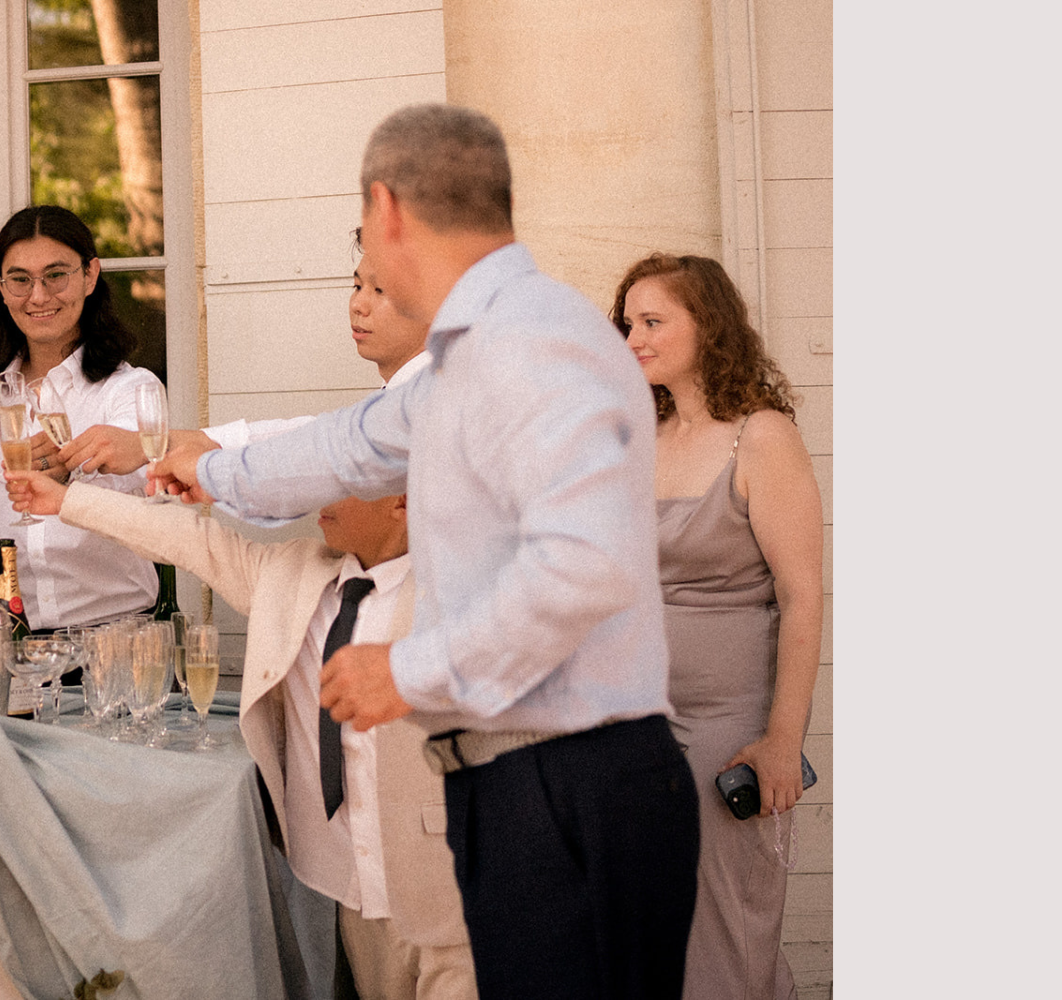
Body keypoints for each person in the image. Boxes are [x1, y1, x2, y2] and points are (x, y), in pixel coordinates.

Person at [152, 103, 699, 999]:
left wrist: (412, 671)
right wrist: (215, 473)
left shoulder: (534, 343)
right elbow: (349, 445)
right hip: (520, 786)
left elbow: (585, 564)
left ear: (387, 211)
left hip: (570, 787)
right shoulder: (473, 356)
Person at [6, 471, 476, 1000]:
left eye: (345, 480)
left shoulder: (465, 591)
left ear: (403, 500)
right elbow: (187, 539)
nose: (319, 492)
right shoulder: (292, 575)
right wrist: (68, 499)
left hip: (455, 890)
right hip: (347, 894)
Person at [613, 253, 823, 1000]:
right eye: (628, 322)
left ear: (709, 325)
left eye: (653, 321)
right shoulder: (643, 436)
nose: (632, 336)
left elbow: (802, 597)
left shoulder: (760, 437)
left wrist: (782, 741)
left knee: (724, 940)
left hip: (721, 732)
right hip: (632, 725)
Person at [0, 204, 161, 638]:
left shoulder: (131, 389)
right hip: (10, 643)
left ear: (90, 275)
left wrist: (71, 474)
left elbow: (139, 494)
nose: (38, 296)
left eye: (56, 275)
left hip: (115, 640)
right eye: (20, 280)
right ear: (1, 288)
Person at [59, 231, 430, 479]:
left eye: (380, 290)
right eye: (356, 285)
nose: (358, 305)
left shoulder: (426, 405)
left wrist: (184, 457)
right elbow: (317, 436)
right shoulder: (400, 398)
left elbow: (322, 446)